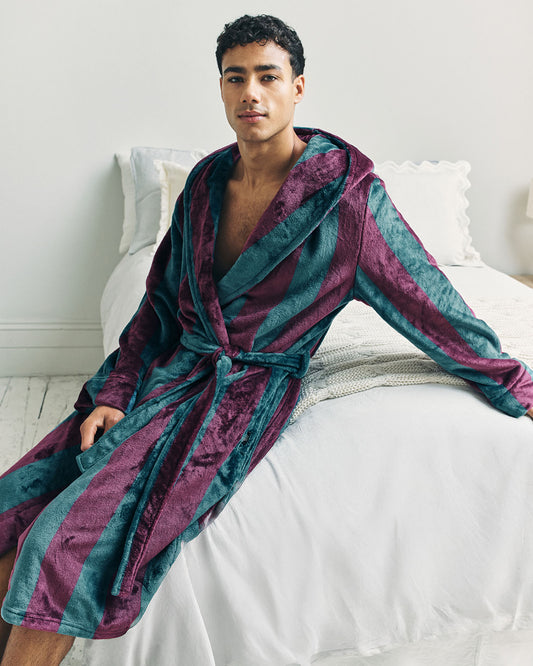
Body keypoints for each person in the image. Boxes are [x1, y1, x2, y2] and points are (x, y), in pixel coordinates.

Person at [1, 13, 533, 665]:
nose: (250, 92)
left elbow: (430, 304)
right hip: (168, 372)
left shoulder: (347, 201)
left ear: (297, 87)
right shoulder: (204, 183)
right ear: (221, 88)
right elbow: (157, 307)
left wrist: (515, 384)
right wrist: (114, 391)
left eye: (267, 76)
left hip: (236, 398)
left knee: (60, 544)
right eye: (235, 77)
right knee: (14, 507)